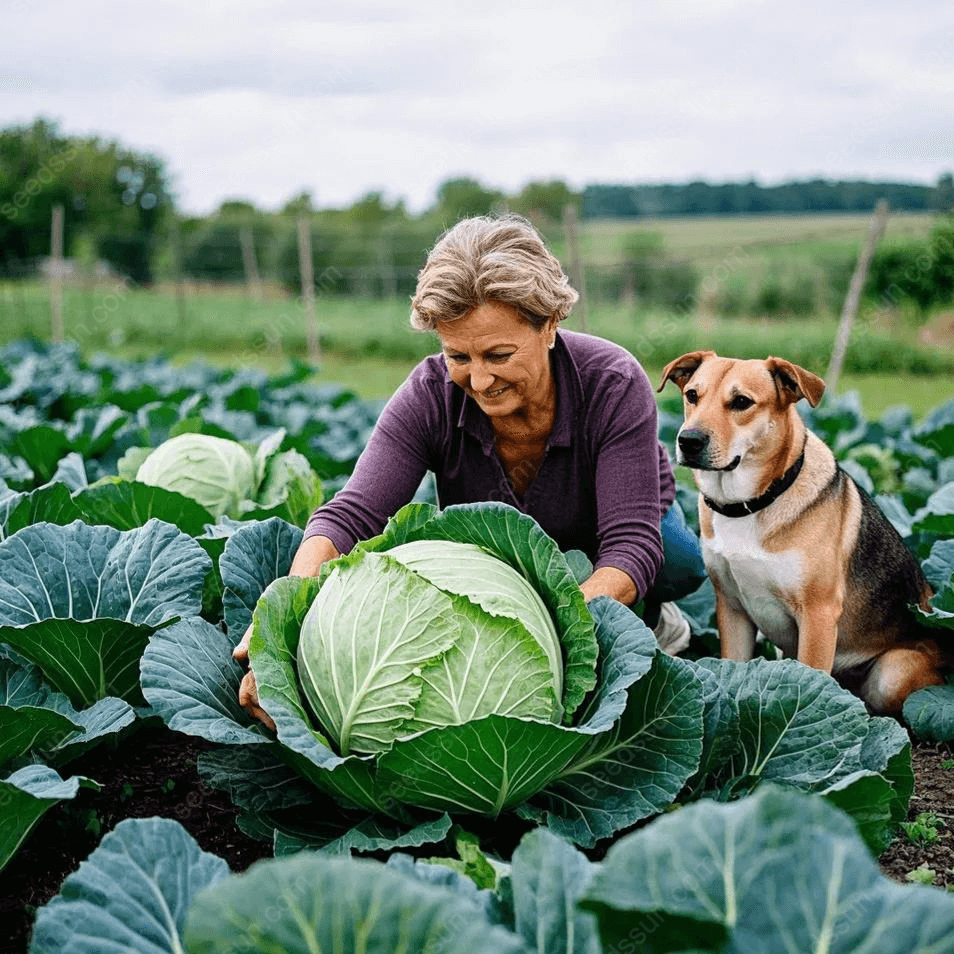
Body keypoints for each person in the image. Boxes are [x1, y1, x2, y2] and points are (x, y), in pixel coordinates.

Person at [234, 213, 705, 727]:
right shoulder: (430, 394)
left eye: (499, 354)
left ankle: (654, 620)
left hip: (599, 533)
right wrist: (279, 629)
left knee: (673, 561)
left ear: (548, 325)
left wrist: (541, 632)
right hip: (495, 563)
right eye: (458, 355)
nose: (480, 381)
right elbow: (351, 515)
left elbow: (629, 544)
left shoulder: (611, 382)